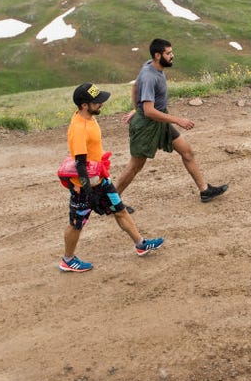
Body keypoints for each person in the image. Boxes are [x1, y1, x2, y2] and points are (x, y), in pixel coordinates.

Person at [60, 82, 164, 272]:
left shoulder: (90, 117)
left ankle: (140, 244)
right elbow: (80, 164)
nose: (102, 104)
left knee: (120, 209)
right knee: (76, 224)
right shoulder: (79, 128)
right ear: (84, 105)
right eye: (97, 102)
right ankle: (67, 259)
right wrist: (88, 191)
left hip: (100, 179)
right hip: (83, 186)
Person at [115, 38, 228, 203]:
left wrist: (135, 108)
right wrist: (177, 120)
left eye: (171, 52)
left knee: (186, 151)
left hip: (160, 120)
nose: (172, 56)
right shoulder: (149, 76)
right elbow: (149, 111)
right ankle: (112, 200)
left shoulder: (150, 65)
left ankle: (205, 190)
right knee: (135, 166)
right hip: (147, 125)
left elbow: (134, 87)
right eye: (168, 53)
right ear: (157, 55)